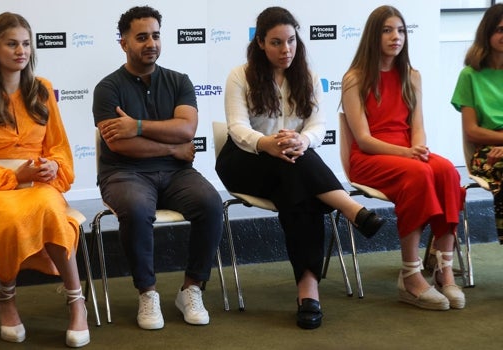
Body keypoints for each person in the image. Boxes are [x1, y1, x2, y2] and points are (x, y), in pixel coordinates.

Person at [215, 7, 385, 330]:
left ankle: (308, 290)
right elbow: (236, 129)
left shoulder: (306, 75)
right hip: (244, 162)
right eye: (276, 43)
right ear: (261, 43)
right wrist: (270, 144)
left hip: (291, 166)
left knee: (296, 174)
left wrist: (301, 142)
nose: (286, 50)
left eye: (291, 41)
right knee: (294, 166)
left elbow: (317, 126)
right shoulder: (240, 75)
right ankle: (349, 209)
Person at [0, 13, 89, 347]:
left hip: (40, 185)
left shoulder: (43, 90)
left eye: (26, 44)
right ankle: (6, 297)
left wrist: (53, 167)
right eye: (12, 44)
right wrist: (13, 175)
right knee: (14, 219)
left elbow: (59, 148)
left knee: (53, 211)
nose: (20, 51)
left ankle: (76, 300)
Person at [92, 6, 223, 330]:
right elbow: (119, 144)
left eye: (155, 35)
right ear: (123, 43)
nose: (150, 43)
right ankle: (147, 293)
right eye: (141, 37)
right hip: (125, 172)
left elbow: (186, 131)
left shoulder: (179, 81)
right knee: (136, 209)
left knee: (210, 203)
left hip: (177, 173)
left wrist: (136, 125)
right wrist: (171, 147)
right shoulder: (107, 88)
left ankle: (191, 288)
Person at [341, 5, 466, 311]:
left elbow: (418, 127)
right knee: (419, 174)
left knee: (448, 171)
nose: (395, 37)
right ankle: (410, 275)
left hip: (407, 154)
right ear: (374, 36)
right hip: (370, 158)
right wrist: (408, 154)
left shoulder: (412, 75)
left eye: (400, 30)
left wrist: (419, 149)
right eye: (387, 30)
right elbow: (365, 141)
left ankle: (443, 269)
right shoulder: (355, 78)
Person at [451, 3, 503, 245]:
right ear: (487, 33)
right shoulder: (470, 75)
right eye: (500, 29)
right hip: (485, 153)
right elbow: (472, 132)